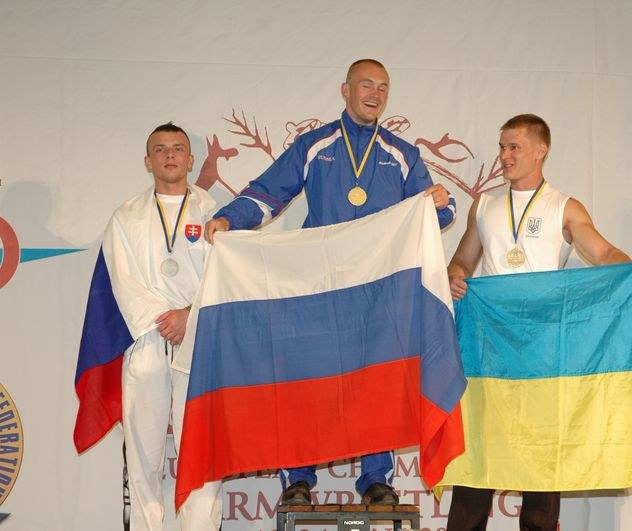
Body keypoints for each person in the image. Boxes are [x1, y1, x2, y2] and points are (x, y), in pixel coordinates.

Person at [204, 58, 456, 506]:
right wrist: (228, 218)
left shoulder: (402, 153)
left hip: (378, 291)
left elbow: (438, 216)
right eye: (366, 85)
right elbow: (266, 195)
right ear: (345, 90)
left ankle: (376, 481)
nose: (374, 94)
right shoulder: (314, 145)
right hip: (317, 288)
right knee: (306, 378)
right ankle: (298, 481)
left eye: (383, 87)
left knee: (377, 381)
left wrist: (439, 202)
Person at [446, 113, 632, 531]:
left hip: (545, 352)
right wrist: (455, 276)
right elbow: (462, 260)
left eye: (513, 148)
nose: (504, 156)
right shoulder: (484, 204)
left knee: (543, 461)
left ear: (541, 151)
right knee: (479, 456)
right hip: (490, 347)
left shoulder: (564, 206)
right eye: (502, 147)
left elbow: (602, 254)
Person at [103, 122, 223, 530]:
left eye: (177, 148)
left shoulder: (215, 213)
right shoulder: (126, 217)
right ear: (147, 161)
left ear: (191, 160)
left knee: (202, 449)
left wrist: (189, 314)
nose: (169, 155)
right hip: (147, 339)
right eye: (160, 149)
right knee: (142, 453)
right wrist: (164, 318)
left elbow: (226, 276)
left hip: (199, 336)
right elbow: (122, 279)